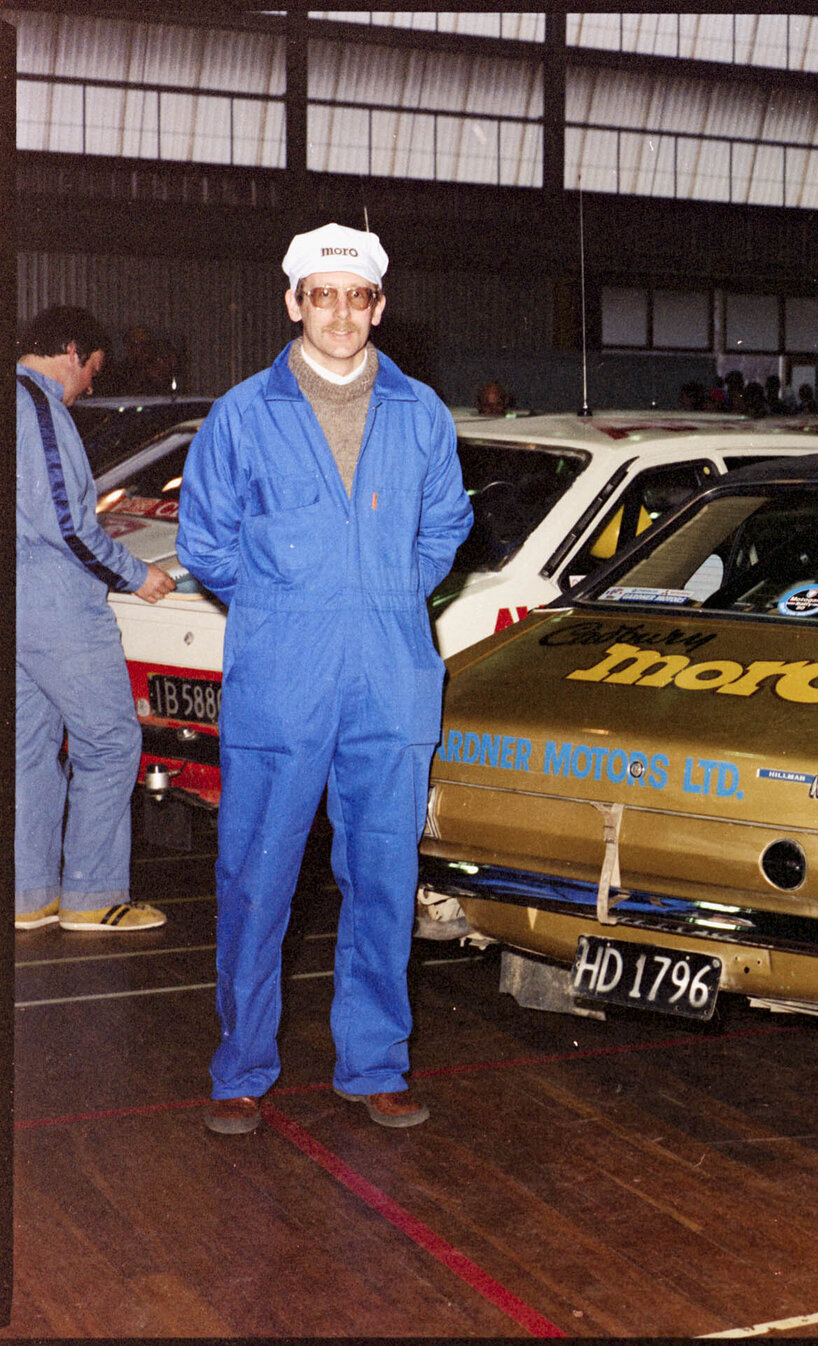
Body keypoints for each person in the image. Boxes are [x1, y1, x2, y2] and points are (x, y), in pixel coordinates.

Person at [178, 224, 473, 1135]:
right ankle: (241, 1068)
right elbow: (205, 542)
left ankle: (374, 1064)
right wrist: (285, 608)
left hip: (390, 677)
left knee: (383, 879)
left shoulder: (421, 413)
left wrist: (384, 593)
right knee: (256, 879)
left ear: (378, 308)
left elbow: (446, 526)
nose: (339, 312)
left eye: (356, 296)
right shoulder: (242, 414)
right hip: (282, 682)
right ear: (294, 303)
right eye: (321, 294)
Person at [16, 307, 176, 934]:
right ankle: (92, 894)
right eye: (93, 371)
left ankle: (28, 893)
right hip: (57, 606)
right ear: (73, 351)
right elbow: (67, 523)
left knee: (30, 748)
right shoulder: (38, 407)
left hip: (22, 606)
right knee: (109, 743)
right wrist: (136, 575)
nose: (89, 386)